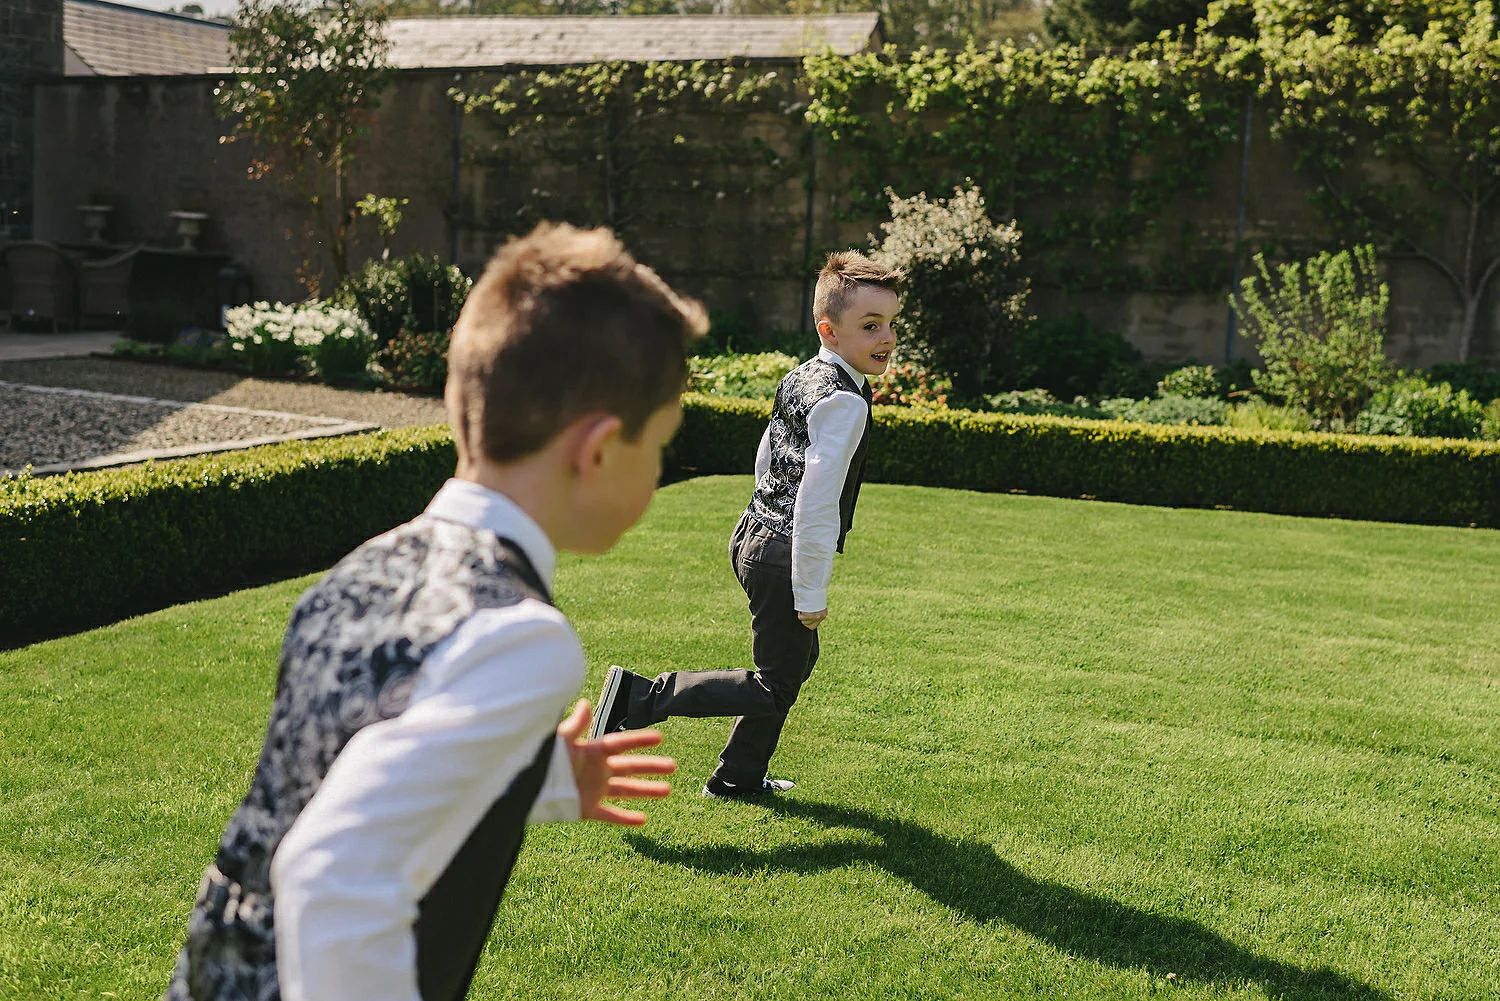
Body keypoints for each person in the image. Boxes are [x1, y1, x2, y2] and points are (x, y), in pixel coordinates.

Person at [164, 221, 707, 1001]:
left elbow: (358, 749)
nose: (659, 472)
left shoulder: (365, 568)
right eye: (661, 443)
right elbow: (332, 870)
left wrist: (543, 774)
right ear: (596, 451)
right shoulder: (522, 635)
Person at [589, 250, 901, 799]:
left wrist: (758, 514)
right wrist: (809, 589)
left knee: (794, 665)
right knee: (774, 683)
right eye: (871, 325)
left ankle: (739, 775)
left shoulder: (805, 376)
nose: (887, 337)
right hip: (783, 549)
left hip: (755, 534)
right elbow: (816, 503)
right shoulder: (846, 402)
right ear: (828, 330)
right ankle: (637, 699)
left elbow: (768, 453)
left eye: (891, 324)